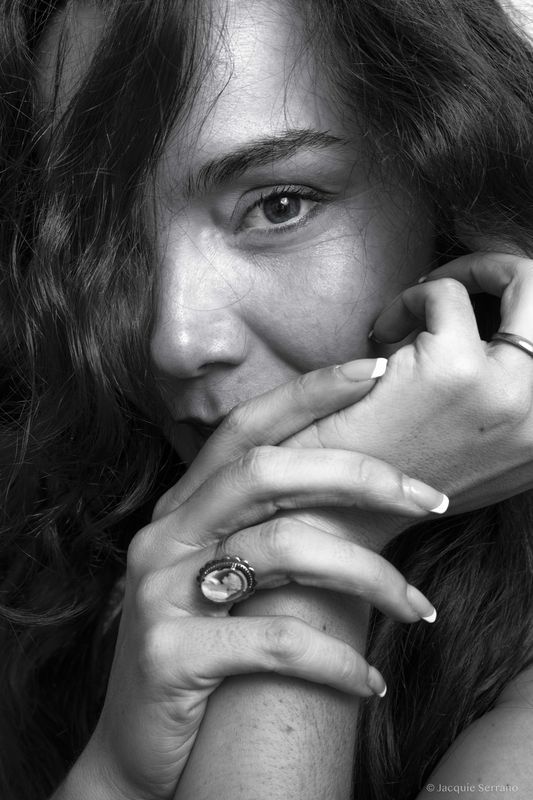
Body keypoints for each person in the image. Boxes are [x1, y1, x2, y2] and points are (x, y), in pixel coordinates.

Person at [1, 1, 533, 798]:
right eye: (102, 240)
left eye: (278, 204)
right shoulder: (45, 566)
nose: (174, 339)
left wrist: (321, 532)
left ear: (451, 187)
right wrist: (115, 776)